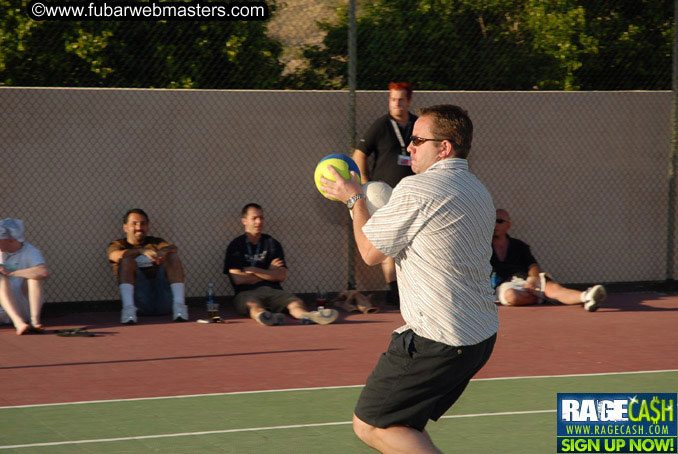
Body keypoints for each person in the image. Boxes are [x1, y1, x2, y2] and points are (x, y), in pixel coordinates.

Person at [322, 105, 498, 453]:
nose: (410, 147)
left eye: (419, 140)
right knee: (402, 425)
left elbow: (372, 253)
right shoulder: (479, 190)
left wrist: (354, 198)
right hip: (479, 336)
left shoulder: (417, 189)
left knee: (371, 423)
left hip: (439, 338)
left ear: (444, 148)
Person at [353, 82, 417, 307]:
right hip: (385, 197)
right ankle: (394, 291)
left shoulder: (418, 125)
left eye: (400, 100)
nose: (396, 104)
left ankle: (410, 287)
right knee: (388, 242)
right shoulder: (381, 125)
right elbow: (359, 154)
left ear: (409, 101)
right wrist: (365, 185)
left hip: (412, 196)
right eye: (392, 99)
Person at [224, 203, 338, 326]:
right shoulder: (235, 245)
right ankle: (265, 317)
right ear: (244, 221)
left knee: (295, 303)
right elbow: (238, 279)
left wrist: (253, 270)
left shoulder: (272, 243)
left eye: (261, 217)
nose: (259, 222)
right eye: (254, 218)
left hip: (273, 290)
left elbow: (281, 276)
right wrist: (269, 272)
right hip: (246, 293)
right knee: (253, 305)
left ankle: (309, 316)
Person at [491, 208, 607, 311]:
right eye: (492, 220)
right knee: (512, 296)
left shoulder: (519, 245)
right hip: (506, 285)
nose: (495, 224)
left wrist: (533, 278)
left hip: (526, 280)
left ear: (508, 225)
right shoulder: (483, 247)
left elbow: (533, 266)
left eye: (499, 221)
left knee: (554, 289)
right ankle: (541, 298)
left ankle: (587, 297)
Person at [107, 209, 188, 324]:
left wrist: (162, 253)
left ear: (148, 226)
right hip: (139, 301)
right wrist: (141, 251)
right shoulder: (118, 244)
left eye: (143, 223)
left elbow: (172, 248)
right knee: (126, 260)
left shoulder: (155, 242)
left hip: (163, 298)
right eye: (134, 224)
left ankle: (179, 307)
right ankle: (128, 310)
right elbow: (114, 256)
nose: (139, 227)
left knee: (172, 256)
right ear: (125, 227)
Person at [0, 218, 50, 335]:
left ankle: (34, 321)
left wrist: (12, 273)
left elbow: (43, 271)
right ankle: (19, 323)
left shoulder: (30, 251)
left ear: (11, 240)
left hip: (23, 305)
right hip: (3, 307)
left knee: (34, 278)